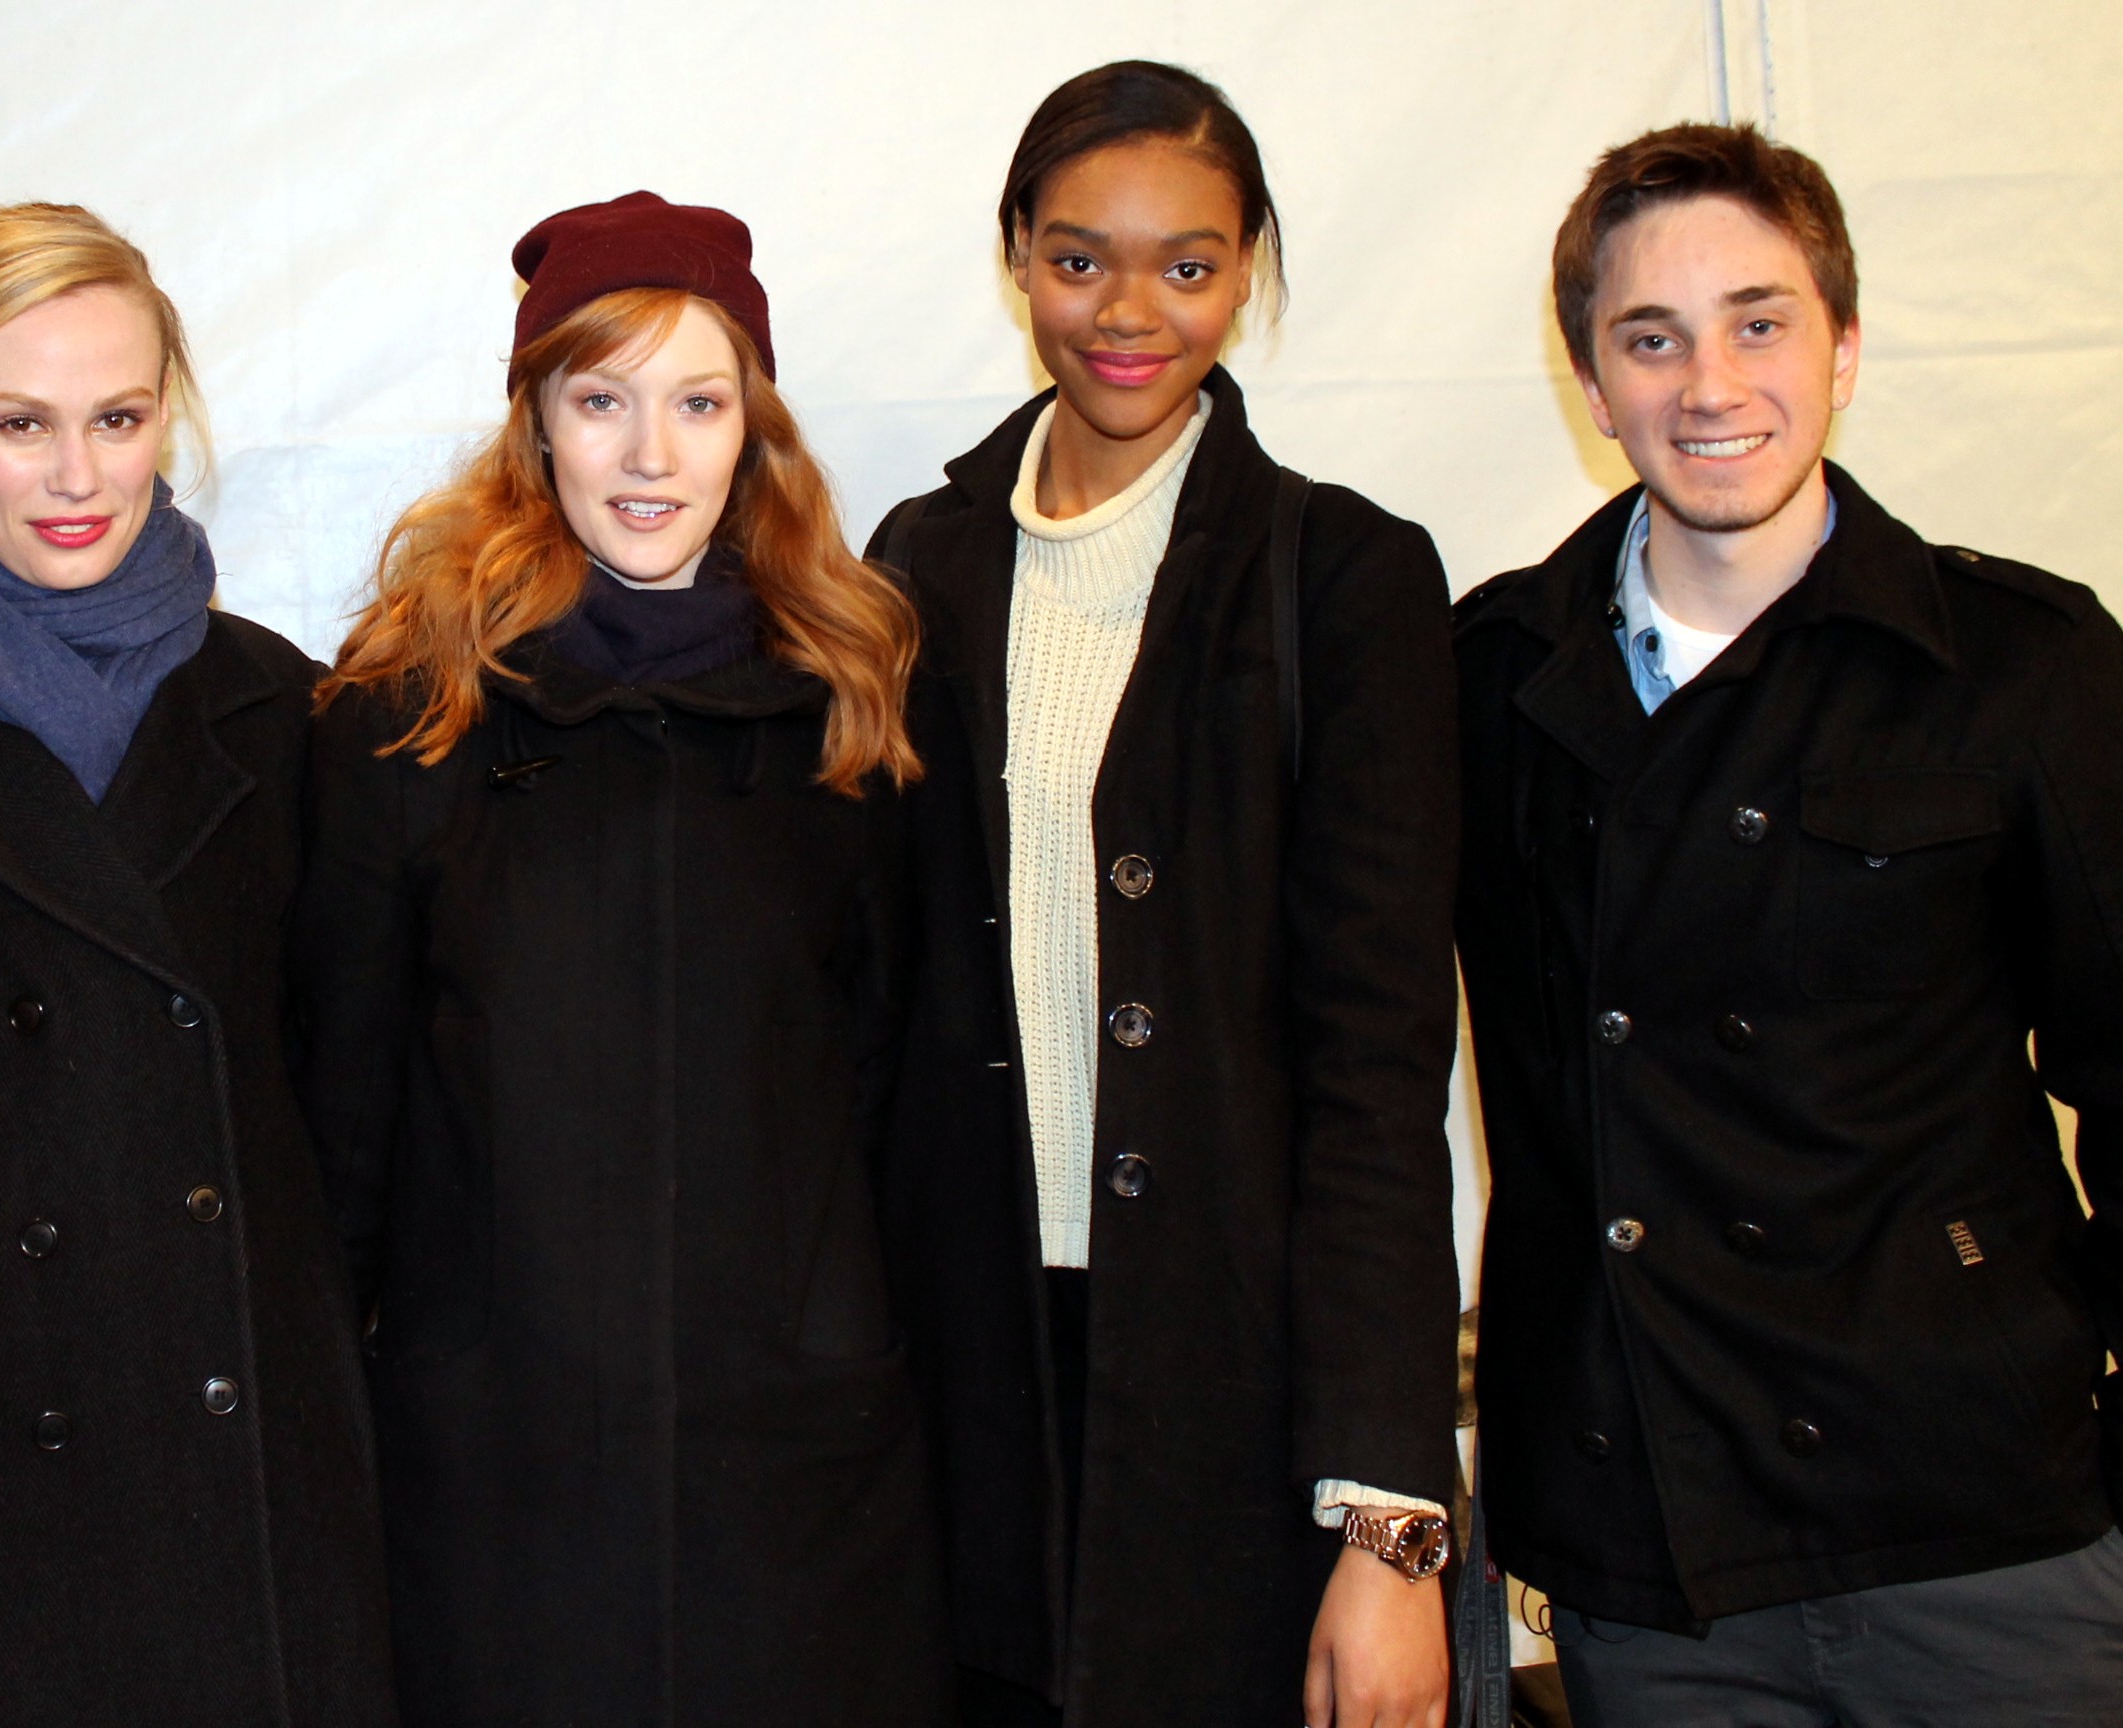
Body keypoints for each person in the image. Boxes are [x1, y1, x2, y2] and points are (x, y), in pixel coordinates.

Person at [1451, 122, 2123, 1725]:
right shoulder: (1480, 678)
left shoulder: (2020, 664)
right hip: (1660, 1550)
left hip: (1984, 1522)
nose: (1711, 384)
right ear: (1589, 380)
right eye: (1651, 337)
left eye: (1760, 323)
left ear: (1845, 347)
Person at [293, 190, 951, 1728]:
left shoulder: (858, 717)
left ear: (754, 433)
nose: (651, 457)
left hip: (795, 1492)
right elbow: (346, 1136)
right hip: (495, 1496)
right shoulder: (403, 721)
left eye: (697, 402)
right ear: (536, 427)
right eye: (603, 401)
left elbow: (887, 1100)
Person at [866, 62, 1462, 1728]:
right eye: (1080, 259)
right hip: (963, 1389)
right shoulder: (909, 568)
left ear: (1250, 268)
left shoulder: (1342, 577)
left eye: (1189, 266)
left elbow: (1377, 1065)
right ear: (1015, 259)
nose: (1130, 313)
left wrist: (1391, 1518)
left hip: (1232, 1396)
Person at [0, 202, 394, 1727]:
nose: (77, 478)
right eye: (20, 422)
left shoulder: (290, 712)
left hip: (252, 1469)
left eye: (118, 419)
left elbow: (358, 1119)